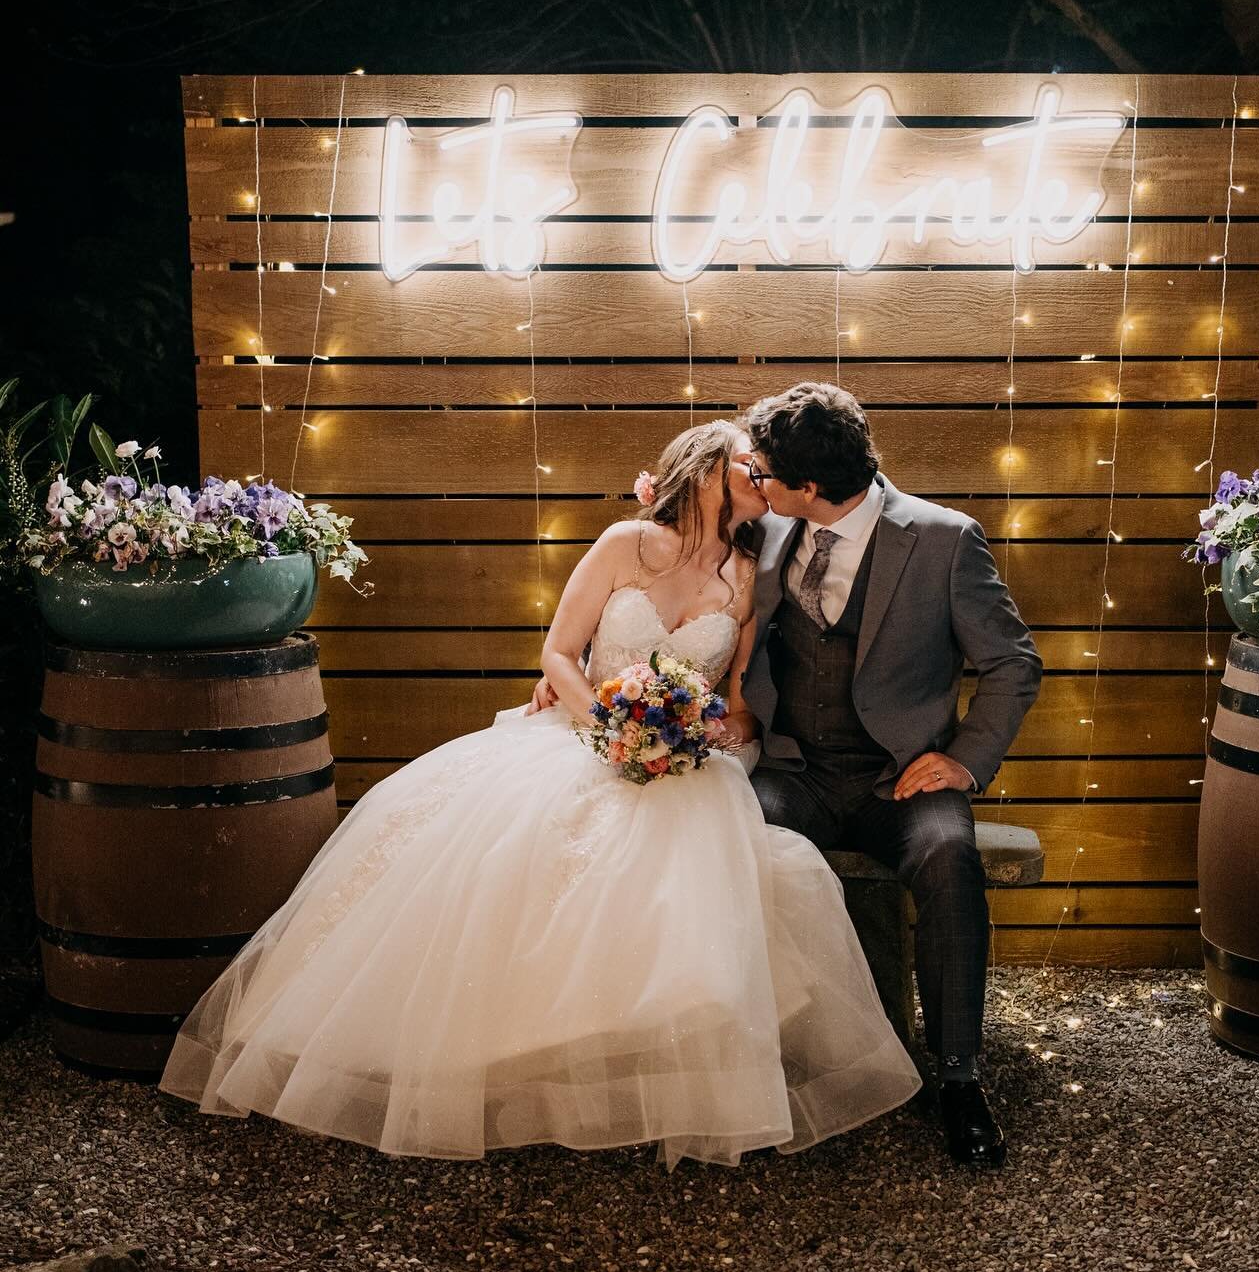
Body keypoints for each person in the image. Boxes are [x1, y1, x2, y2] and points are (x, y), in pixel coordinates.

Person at [159, 420, 920, 1168]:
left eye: (765, 473)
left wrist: (707, 731)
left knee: (692, 837)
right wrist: (609, 732)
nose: (760, 482)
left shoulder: (749, 574)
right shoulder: (625, 545)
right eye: (748, 469)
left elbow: (738, 697)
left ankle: (651, 1051)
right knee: (532, 837)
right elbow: (558, 652)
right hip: (583, 732)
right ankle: (504, 1055)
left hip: (687, 755)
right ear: (706, 472)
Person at [740, 383, 1042, 1168]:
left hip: (900, 780)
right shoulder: (767, 526)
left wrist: (965, 761)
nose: (755, 479)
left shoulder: (945, 540)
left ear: (810, 487)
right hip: (794, 772)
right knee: (735, 846)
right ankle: (764, 1066)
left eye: (766, 471)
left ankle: (958, 1079)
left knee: (949, 862)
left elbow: (1013, 663)